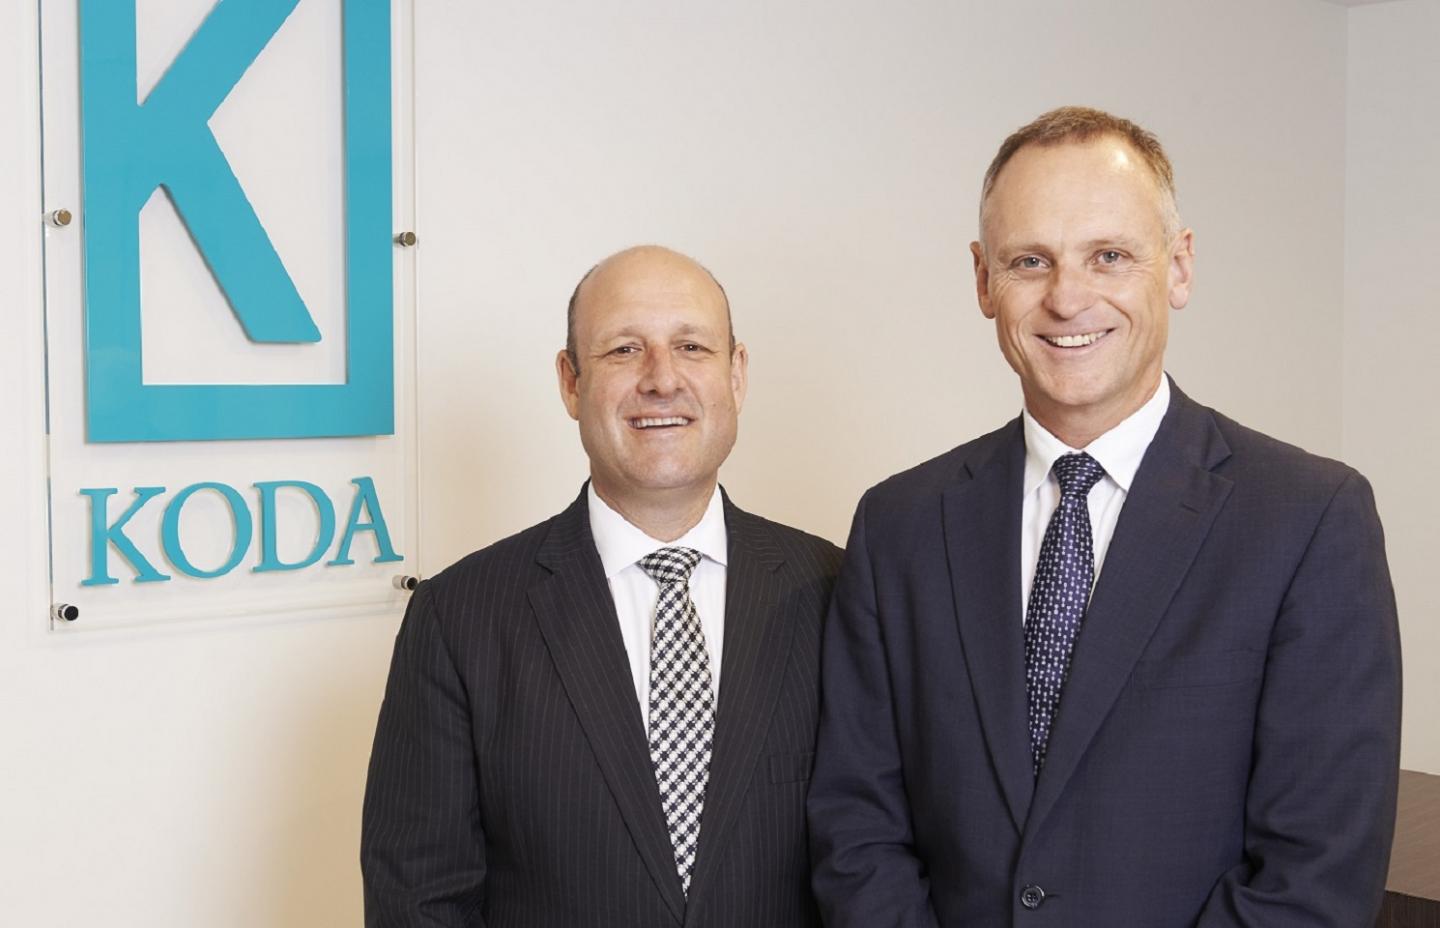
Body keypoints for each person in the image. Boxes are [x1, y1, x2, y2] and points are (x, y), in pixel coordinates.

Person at [808, 107, 1402, 926]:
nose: (1067, 298)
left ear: (1179, 267)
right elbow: (857, 830)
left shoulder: (1309, 520)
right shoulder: (899, 526)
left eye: (1109, 256)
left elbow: (1317, 873)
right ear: (983, 280)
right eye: (1030, 261)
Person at [362, 245, 841, 927]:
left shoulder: (837, 591)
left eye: (692, 347)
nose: (662, 379)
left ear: (736, 375)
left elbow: (879, 853)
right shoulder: (457, 617)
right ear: (571, 381)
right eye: (623, 350)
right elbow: (419, 901)